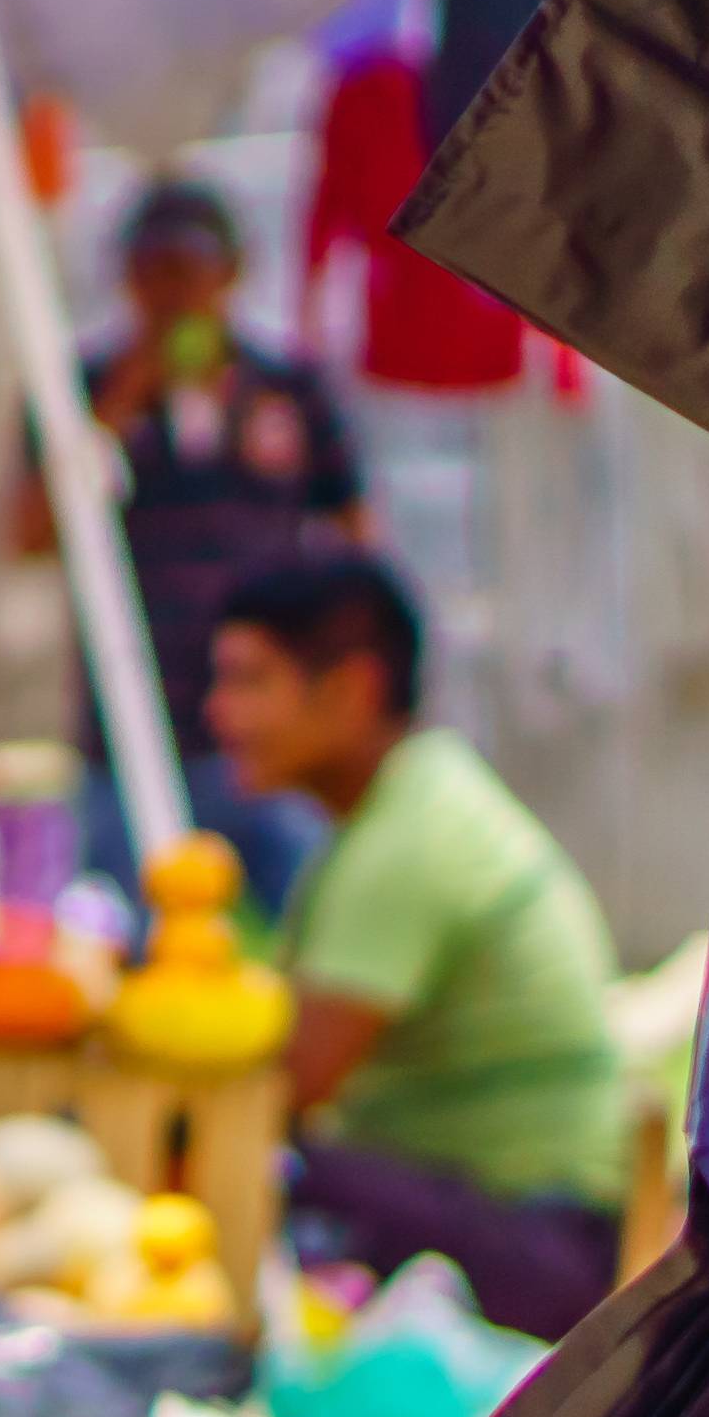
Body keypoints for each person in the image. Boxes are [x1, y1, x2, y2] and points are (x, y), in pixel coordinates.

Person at [200, 549, 628, 1339]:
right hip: (519, 1218)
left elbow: (281, 1089)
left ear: (352, 690)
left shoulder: (406, 841)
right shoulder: (394, 809)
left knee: (242, 1160)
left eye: (251, 682)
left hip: (538, 1241)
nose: (220, 713)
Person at [35, 177, 364, 895]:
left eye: (188, 271)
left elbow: (352, 530)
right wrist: (119, 406)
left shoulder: (286, 388)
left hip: (270, 736)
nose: (172, 294)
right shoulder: (84, 388)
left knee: (301, 915)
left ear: (230, 272)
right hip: (128, 726)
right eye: (153, 272)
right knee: (130, 932)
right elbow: (26, 533)